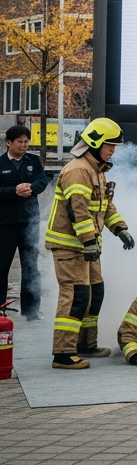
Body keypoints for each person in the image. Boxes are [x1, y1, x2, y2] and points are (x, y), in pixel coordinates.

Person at [45, 118, 135, 369]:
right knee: (75, 296)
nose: (113, 150)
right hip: (72, 246)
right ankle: (63, 353)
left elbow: (104, 206)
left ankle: (85, 344)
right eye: (110, 145)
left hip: (88, 246)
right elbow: (78, 211)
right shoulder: (78, 170)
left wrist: (120, 229)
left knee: (95, 293)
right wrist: (87, 241)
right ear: (95, 143)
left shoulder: (97, 170)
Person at [0, 125, 49, 321]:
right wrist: (14, 191)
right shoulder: (1, 163)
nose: (24, 145)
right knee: (2, 267)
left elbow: (42, 180)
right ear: (8, 142)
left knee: (30, 267)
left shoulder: (33, 161)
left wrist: (32, 188)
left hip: (29, 222)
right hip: (6, 223)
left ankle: (31, 311)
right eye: (20, 141)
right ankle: (0, 308)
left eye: (26, 141)